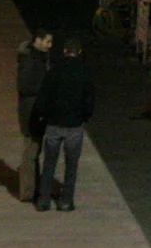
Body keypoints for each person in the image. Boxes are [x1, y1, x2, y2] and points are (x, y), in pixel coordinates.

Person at [29, 37, 94, 212]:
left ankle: (44, 200)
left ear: (65, 51)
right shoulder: (84, 72)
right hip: (74, 125)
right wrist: (84, 116)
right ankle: (66, 201)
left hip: (54, 124)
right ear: (79, 53)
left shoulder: (54, 71)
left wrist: (42, 116)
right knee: (71, 165)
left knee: (49, 163)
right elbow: (89, 100)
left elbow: (43, 98)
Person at [14, 30, 54, 203]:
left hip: (34, 111)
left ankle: (32, 188)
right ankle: (28, 191)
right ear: (37, 40)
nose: (49, 45)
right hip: (32, 114)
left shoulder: (36, 58)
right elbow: (24, 86)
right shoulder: (32, 60)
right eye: (47, 41)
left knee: (33, 151)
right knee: (30, 152)